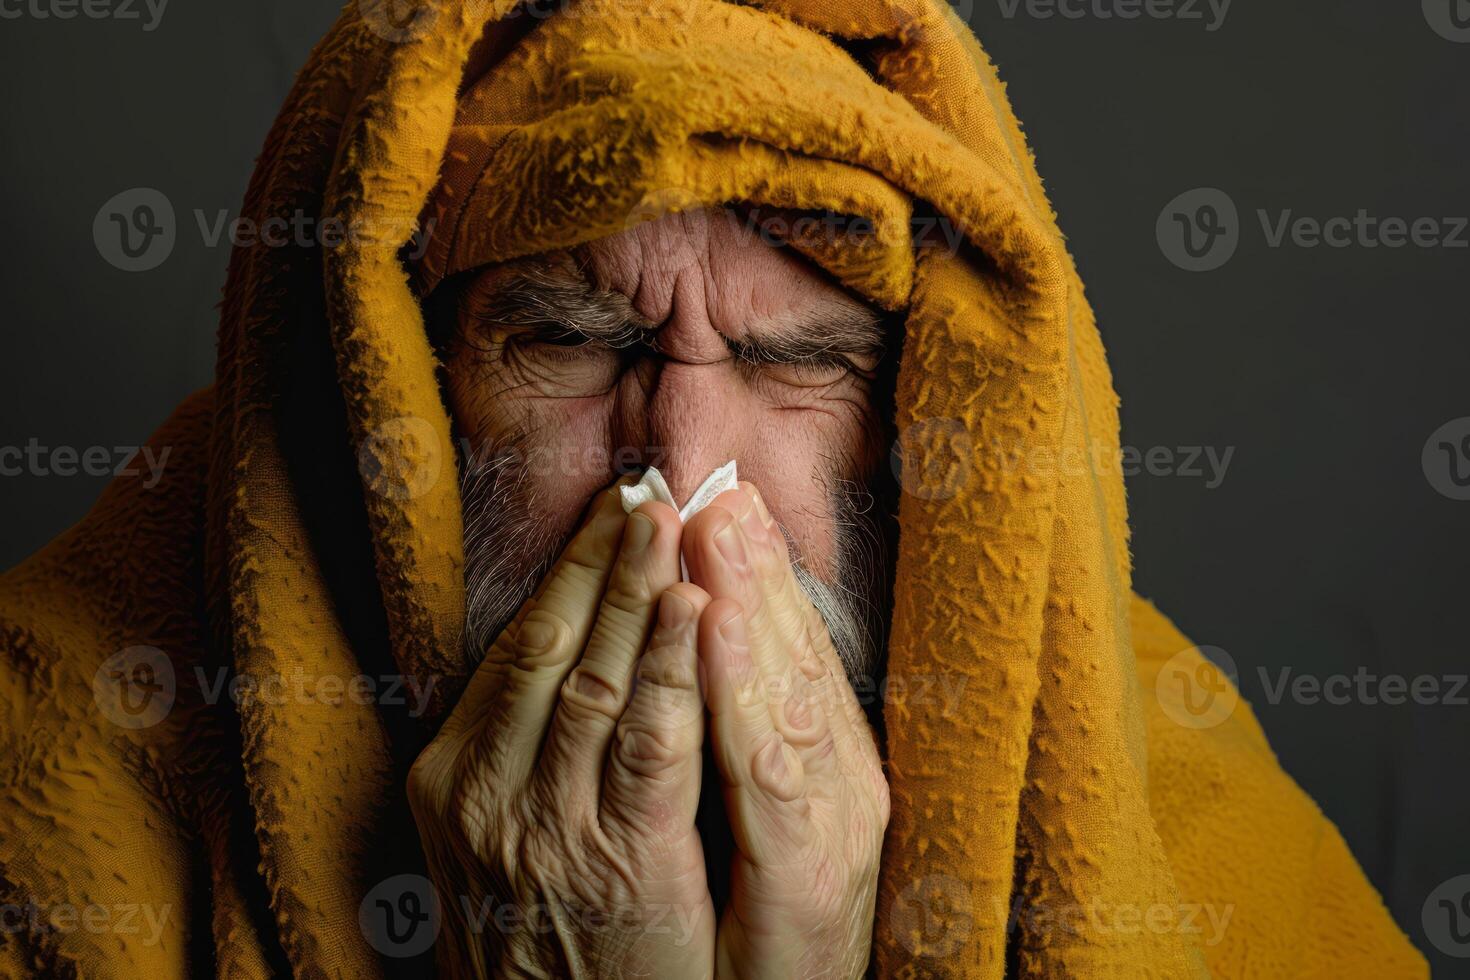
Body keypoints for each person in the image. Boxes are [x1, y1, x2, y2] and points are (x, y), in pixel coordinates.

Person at [0, 1, 1424, 976]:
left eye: (800, 363)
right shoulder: (50, 753)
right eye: (567, 340)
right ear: (393, 396)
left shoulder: (1164, 790)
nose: (680, 479)